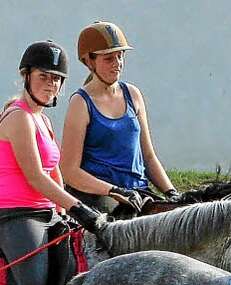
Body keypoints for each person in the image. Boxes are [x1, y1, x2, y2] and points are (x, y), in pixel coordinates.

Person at [0, 41, 104, 285]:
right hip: (15, 213)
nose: (52, 85)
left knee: (73, 273)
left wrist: (65, 213)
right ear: (26, 76)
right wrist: (81, 209)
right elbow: (34, 177)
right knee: (33, 280)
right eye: (45, 77)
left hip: (47, 212)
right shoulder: (17, 117)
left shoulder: (43, 120)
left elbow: (55, 174)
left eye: (58, 79)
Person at [60, 21, 180, 216]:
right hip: (99, 197)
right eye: (109, 59)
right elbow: (69, 171)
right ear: (89, 61)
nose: (117, 64)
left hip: (137, 193)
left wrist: (172, 193)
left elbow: (148, 157)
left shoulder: (133, 94)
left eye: (120, 56)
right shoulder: (80, 103)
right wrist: (112, 191)